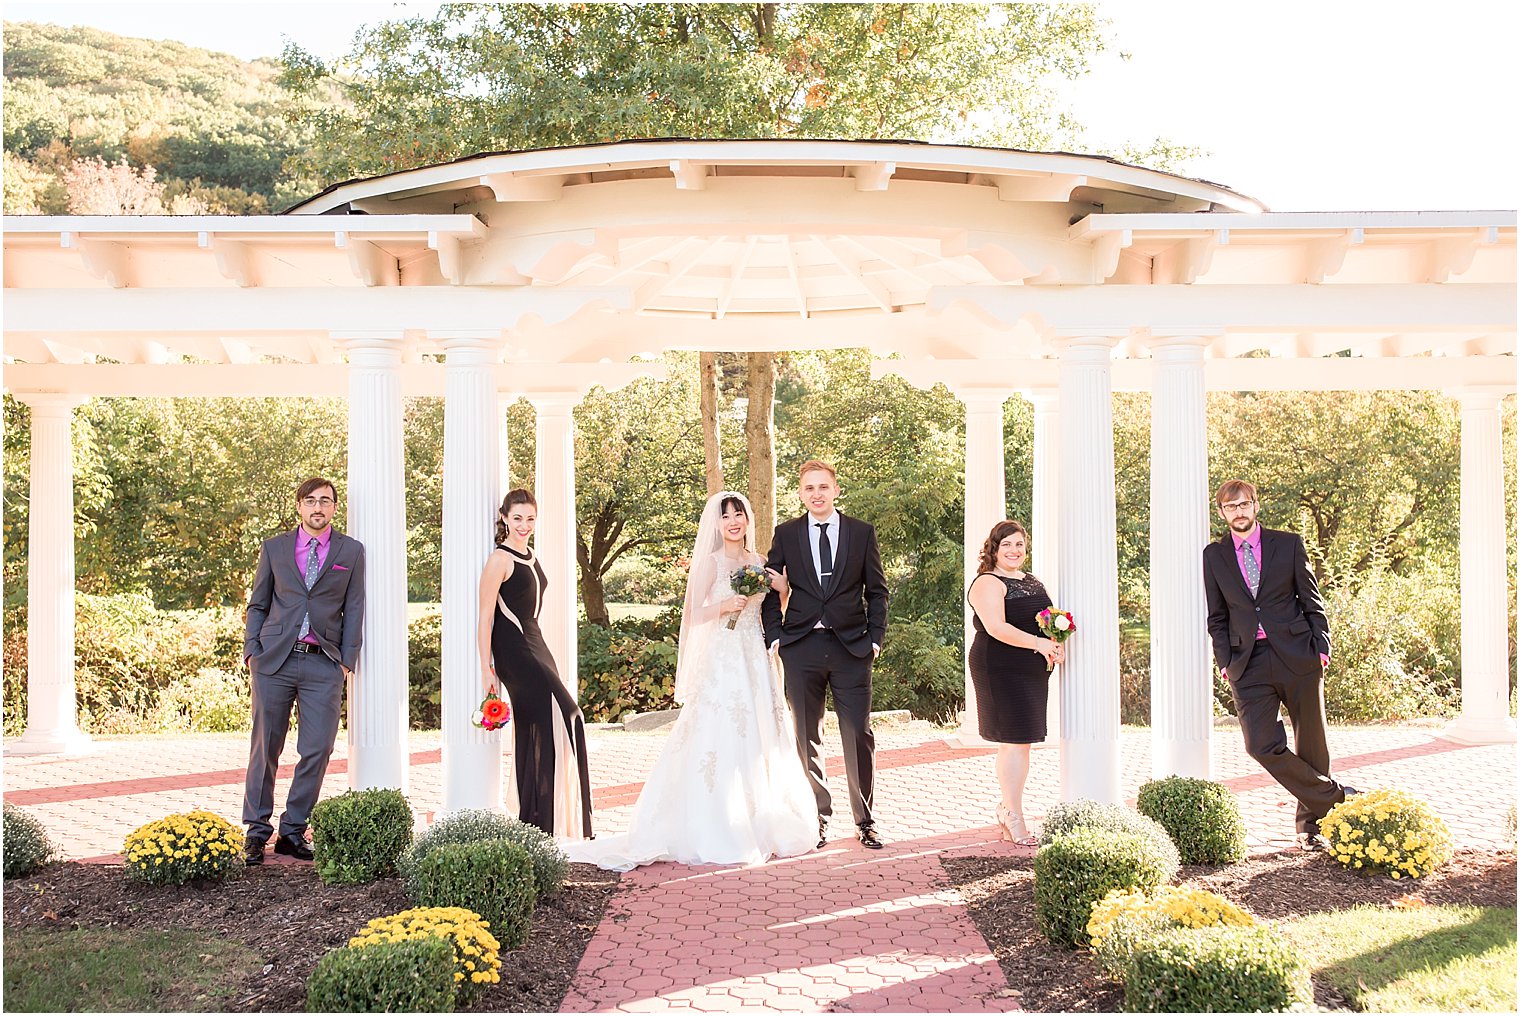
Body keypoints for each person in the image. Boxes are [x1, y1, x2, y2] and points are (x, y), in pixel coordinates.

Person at [566, 492, 817, 870]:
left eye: (739, 514)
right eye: (726, 516)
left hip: (755, 657)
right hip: (724, 659)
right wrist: (724, 605)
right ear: (716, 524)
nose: (733, 521)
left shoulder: (760, 562)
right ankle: (717, 825)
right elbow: (693, 615)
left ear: (748, 520)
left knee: (762, 732)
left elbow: (771, 614)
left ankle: (765, 821)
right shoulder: (710, 565)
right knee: (719, 735)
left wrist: (781, 592)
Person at [1202, 479, 1356, 851]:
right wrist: (1224, 661)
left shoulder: (1287, 544)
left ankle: (1311, 827)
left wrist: (1322, 647)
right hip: (1247, 662)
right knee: (1259, 744)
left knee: (1312, 742)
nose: (1238, 512)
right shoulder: (1214, 555)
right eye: (1230, 507)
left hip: (1298, 654)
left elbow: (1311, 600)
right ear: (1222, 513)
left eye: (1243, 504)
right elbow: (1217, 616)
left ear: (1255, 506)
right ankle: (1336, 797)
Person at [762, 460, 890, 850]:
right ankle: (816, 817)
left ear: (836, 489)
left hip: (852, 647)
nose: (816, 493)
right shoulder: (786, 534)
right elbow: (769, 588)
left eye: (823, 487)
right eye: (808, 488)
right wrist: (775, 638)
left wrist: (875, 640)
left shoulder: (860, 532)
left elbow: (877, 592)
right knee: (806, 737)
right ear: (801, 493)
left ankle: (865, 820)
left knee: (857, 734)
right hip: (801, 647)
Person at [242, 477, 365, 865]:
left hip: (323, 662)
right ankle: (256, 831)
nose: (318, 508)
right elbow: (258, 603)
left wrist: (346, 660)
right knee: (266, 748)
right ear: (299, 506)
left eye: (325, 502)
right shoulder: (275, 548)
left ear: (333, 507)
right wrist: (252, 652)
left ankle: (292, 831)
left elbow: (355, 608)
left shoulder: (351, 551)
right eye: (310, 501)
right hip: (274, 660)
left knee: (318, 748)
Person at [478, 488, 593, 840]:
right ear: (504, 518)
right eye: (517, 518)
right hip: (515, 651)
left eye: (530, 519)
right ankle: (540, 819)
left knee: (544, 724)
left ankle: (541, 821)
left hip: (535, 643)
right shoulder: (500, 559)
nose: (524, 525)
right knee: (567, 714)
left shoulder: (529, 554)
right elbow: (484, 617)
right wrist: (488, 669)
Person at [966, 520, 1064, 847]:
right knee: (1014, 740)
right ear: (994, 548)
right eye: (1006, 544)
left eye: (1019, 544)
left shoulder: (1031, 580)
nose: (1014, 550)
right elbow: (996, 627)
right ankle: (1013, 814)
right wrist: (1039, 645)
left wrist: (1054, 642)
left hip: (1031, 667)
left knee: (1022, 740)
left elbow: (1048, 618)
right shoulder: (987, 582)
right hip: (1000, 666)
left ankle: (1008, 809)